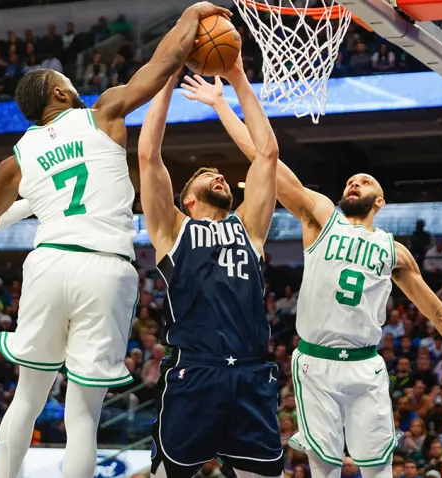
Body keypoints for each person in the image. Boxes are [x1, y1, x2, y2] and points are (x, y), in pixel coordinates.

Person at [179, 74, 442, 478]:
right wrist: (221, 104)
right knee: (323, 469)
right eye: (351, 181)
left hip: (365, 366)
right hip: (316, 363)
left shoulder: (396, 251)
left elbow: (440, 315)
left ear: (381, 200)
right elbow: (263, 158)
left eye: (365, 181)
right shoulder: (321, 216)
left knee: (379, 470)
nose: (355, 183)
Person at [0, 4, 234, 478]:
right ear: (58, 91)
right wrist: (191, 15)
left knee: (27, 399)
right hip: (105, 267)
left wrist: (26, 200)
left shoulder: (18, 158)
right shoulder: (103, 113)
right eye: (67, 80)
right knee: (83, 414)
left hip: (49, 261)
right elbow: (163, 63)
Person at [140, 58, 281, 477]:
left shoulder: (250, 228)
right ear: (188, 199)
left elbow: (268, 153)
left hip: (253, 373)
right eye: (206, 176)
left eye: (219, 174)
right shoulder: (173, 230)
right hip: (194, 371)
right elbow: (148, 155)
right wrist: (166, 79)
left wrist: (236, 78)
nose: (217, 175)